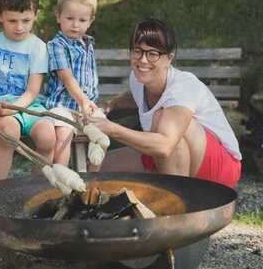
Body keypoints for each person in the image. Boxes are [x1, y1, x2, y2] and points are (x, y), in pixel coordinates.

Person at [91, 16, 242, 188]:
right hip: (166, 154)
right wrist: (112, 103)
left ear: (169, 58)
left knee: (162, 118)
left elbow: (164, 146)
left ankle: (179, 207)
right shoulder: (139, 78)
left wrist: (111, 129)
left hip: (219, 167)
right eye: (137, 51)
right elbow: (136, 96)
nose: (143, 60)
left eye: (153, 53)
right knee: (97, 169)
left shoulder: (182, 88)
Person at [0, 0, 55, 181]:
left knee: (48, 137)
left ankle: (36, 190)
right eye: (12, 21)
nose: (19, 27)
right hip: (0, 104)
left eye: (26, 20)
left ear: (36, 15)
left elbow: (32, 90)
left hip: (30, 105)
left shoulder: (37, 47)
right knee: (9, 134)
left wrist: (15, 108)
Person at [46, 0, 105, 167]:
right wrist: (83, 100)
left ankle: (91, 183)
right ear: (58, 16)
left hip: (86, 107)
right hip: (63, 106)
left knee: (105, 133)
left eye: (81, 20)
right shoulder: (57, 45)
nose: (75, 24)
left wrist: (90, 103)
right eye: (69, 18)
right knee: (64, 133)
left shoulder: (89, 44)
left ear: (90, 21)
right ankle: (60, 178)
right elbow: (67, 77)